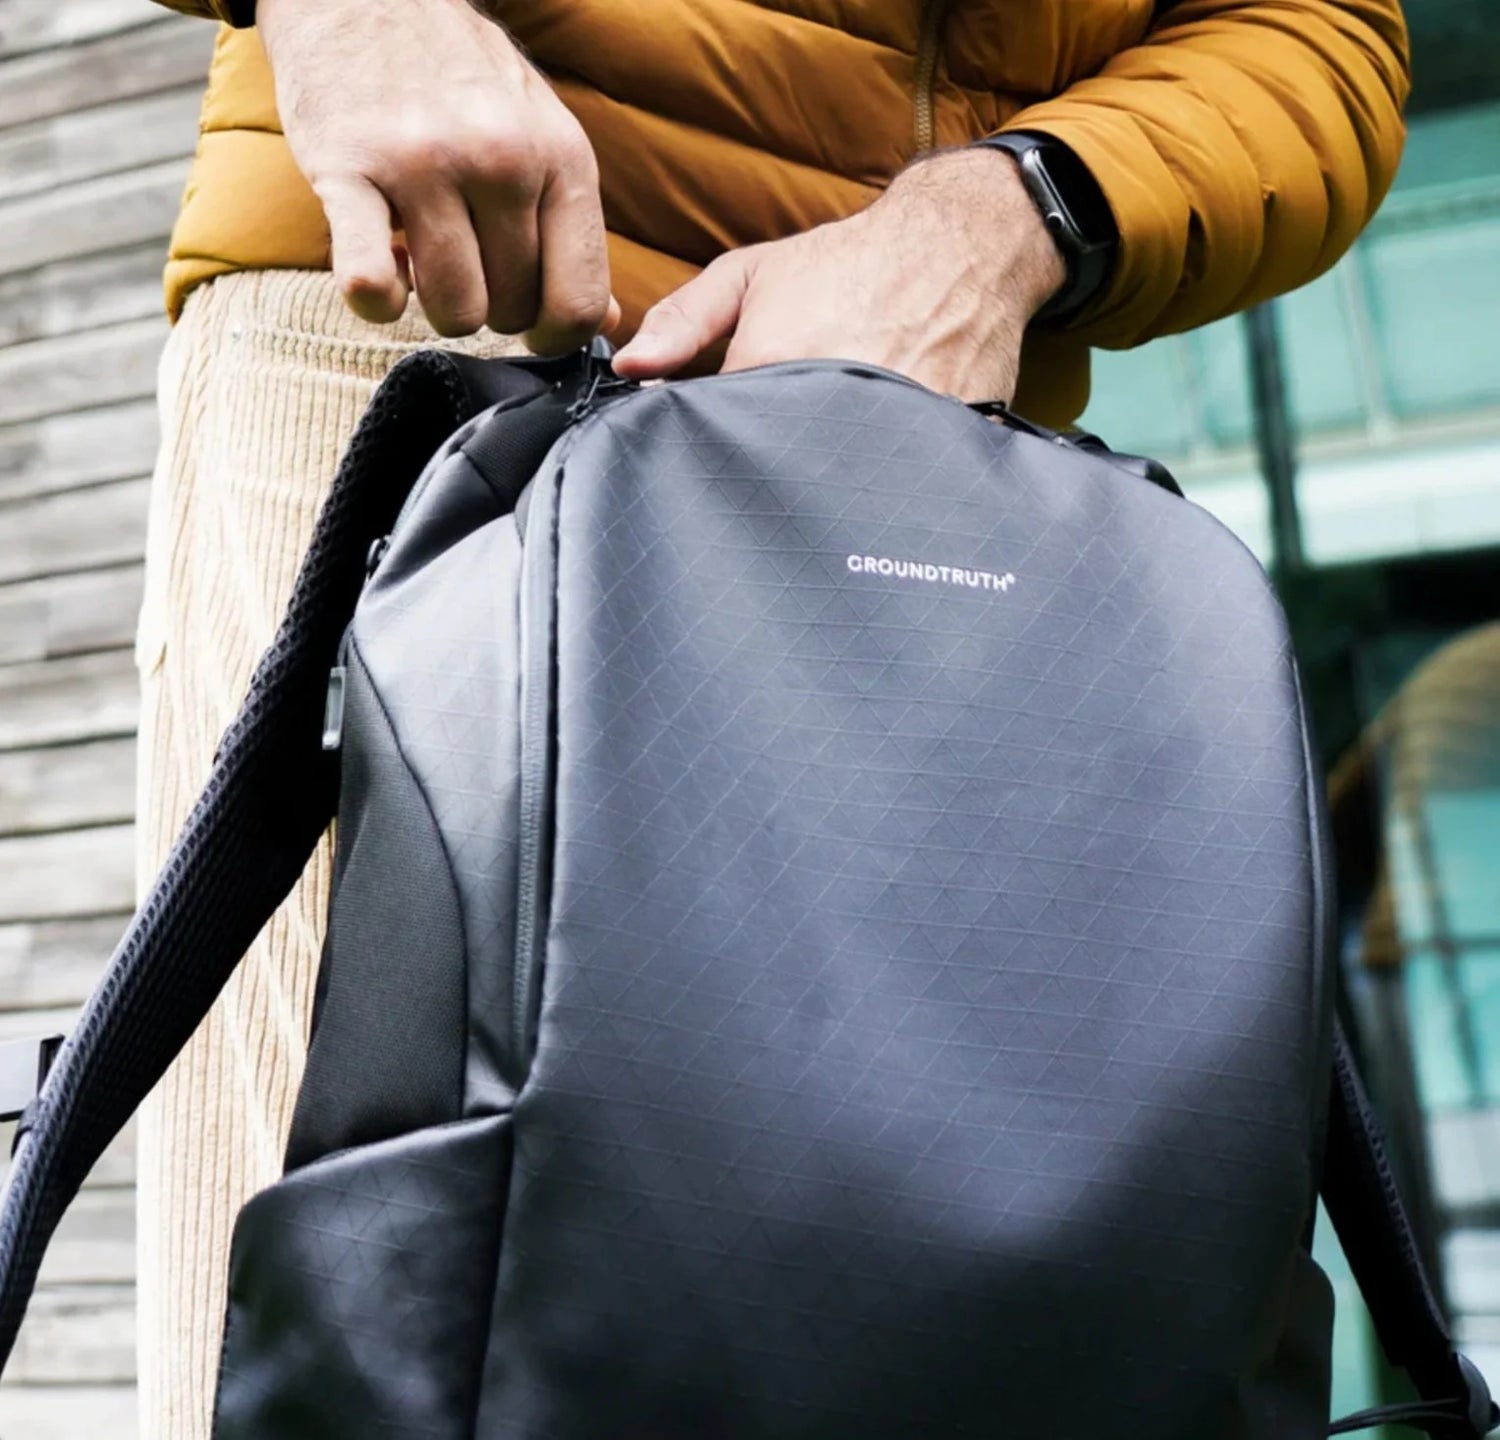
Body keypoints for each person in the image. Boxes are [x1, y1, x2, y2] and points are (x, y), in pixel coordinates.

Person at [133, 0, 1410, 1434]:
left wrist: (1012, 212)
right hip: (460, 309)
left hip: (940, 418)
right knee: (359, 1326)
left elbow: (1318, 30)